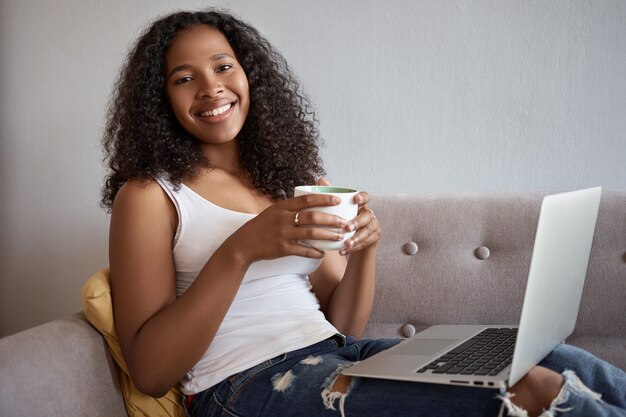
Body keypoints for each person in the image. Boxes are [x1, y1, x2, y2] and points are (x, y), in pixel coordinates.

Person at [101, 8, 626, 417]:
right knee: (525, 391)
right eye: (183, 78)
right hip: (239, 386)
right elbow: (149, 371)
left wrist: (366, 249)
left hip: (335, 355)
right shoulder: (150, 196)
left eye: (222, 66)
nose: (211, 86)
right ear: (160, 100)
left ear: (247, 75)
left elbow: (342, 323)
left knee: (562, 362)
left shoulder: (292, 180)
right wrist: (238, 251)